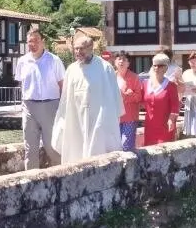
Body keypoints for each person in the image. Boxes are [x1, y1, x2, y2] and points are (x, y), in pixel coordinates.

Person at [50, 35, 124, 164]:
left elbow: (114, 98)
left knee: (98, 155)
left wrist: (112, 119)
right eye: (76, 49)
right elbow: (65, 99)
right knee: (76, 155)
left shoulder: (105, 68)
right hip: (76, 120)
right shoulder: (71, 70)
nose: (78, 52)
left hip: (98, 121)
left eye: (81, 48)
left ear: (91, 48)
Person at [14, 28, 64, 169]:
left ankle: (61, 175)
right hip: (29, 106)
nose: (33, 44)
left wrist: (62, 108)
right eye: (30, 41)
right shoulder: (22, 61)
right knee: (30, 148)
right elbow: (21, 84)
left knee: (52, 146)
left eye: (36, 40)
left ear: (43, 42)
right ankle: (31, 178)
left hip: (50, 106)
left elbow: (62, 85)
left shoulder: (54, 60)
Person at [142, 54, 180, 146]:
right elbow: (139, 101)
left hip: (165, 126)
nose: (156, 68)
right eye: (154, 65)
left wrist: (171, 120)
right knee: (149, 149)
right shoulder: (145, 84)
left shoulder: (171, 85)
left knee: (164, 150)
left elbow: (175, 106)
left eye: (160, 66)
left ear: (165, 68)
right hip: (150, 126)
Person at [113, 52, 144, 151]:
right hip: (114, 118)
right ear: (115, 62)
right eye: (119, 59)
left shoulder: (134, 77)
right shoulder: (111, 76)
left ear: (128, 63)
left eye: (124, 59)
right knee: (115, 147)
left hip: (129, 118)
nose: (121, 61)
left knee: (126, 146)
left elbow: (139, 97)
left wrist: (126, 96)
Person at [180, 51, 196, 137]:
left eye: (195, 62)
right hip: (190, 102)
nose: (192, 64)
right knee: (190, 130)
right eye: (191, 62)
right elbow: (182, 87)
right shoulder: (186, 73)